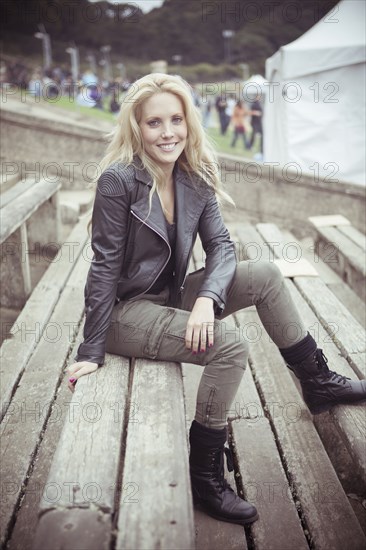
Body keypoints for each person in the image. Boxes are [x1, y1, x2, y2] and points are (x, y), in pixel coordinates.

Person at [66, 73, 366, 527]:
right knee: (228, 345)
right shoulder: (118, 181)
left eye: (175, 120)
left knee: (264, 273)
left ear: (189, 122)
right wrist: (91, 349)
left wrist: (207, 296)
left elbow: (222, 247)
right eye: (154, 123)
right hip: (126, 314)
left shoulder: (195, 174)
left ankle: (318, 381)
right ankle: (205, 474)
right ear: (136, 127)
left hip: (171, 297)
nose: (167, 132)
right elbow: (104, 265)